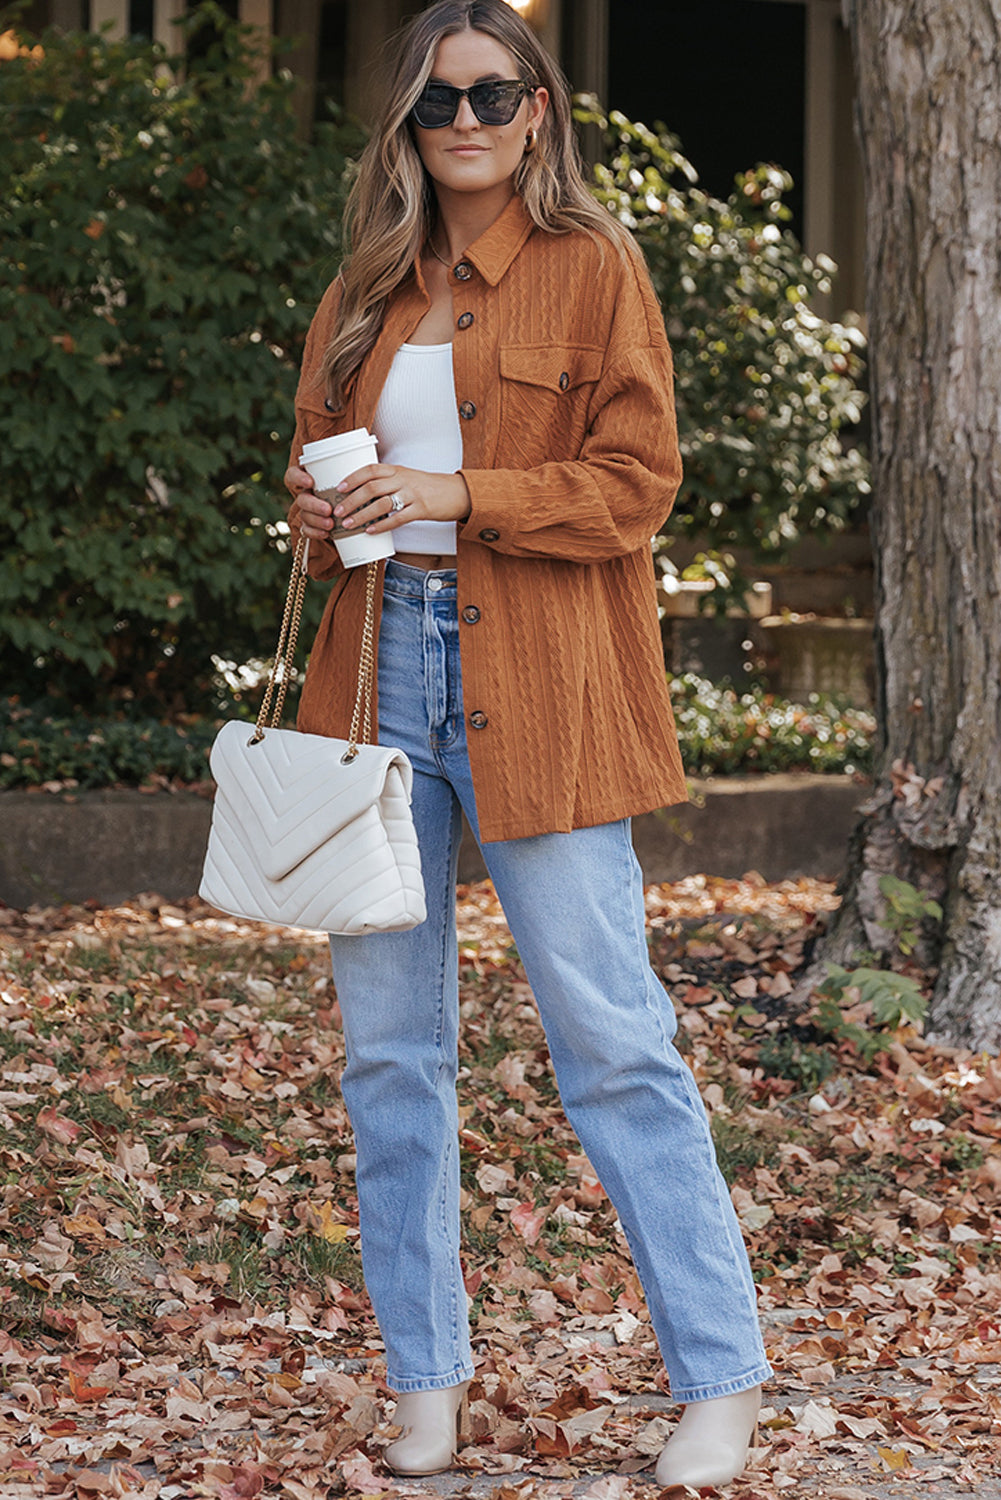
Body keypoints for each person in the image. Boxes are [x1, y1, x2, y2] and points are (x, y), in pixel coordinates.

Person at [284, 0, 770, 1485]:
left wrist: (447, 493)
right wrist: (321, 517)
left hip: (542, 678)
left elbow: (634, 487)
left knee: (613, 1041)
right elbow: (312, 492)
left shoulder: (591, 267)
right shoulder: (369, 285)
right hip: (377, 685)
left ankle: (720, 1381)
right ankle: (423, 1382)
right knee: (388, 1059)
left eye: (496, 94)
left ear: (540, 109)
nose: (469, 122)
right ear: (410, 127)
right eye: (441, 103)